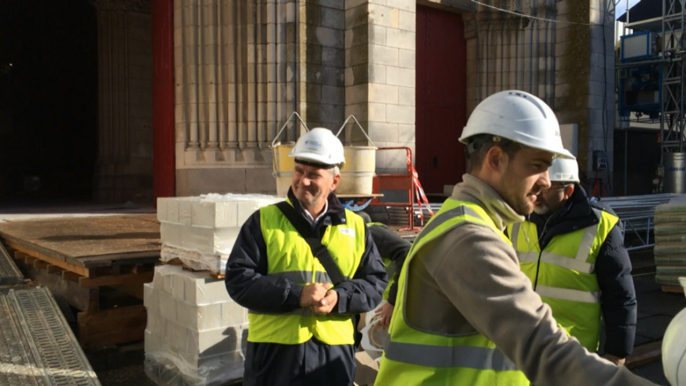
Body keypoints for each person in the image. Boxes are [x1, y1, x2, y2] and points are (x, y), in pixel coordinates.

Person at [374, 90, 654, 385]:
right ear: (495, 159)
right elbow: (542, 347)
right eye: (537, 166)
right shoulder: (469, 238)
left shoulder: (475, 222)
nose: (546, 181)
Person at [225, 128, 388, 386]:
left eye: (314, 174)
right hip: (274, 353)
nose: (303, 180)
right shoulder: (263, 221)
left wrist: (340, 297)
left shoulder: (357, 227)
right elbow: (238, 280)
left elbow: (376, 283)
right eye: (299, 170)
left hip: (332, 355)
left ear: (334, 182)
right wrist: (295, 295)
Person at [508, 158, 637, 365]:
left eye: (546, 187)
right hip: (519, 347)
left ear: (568, 192)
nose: (537, 193)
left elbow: (620, 295)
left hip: (572, 352)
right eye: (534, 185)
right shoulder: (515, 221)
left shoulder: (600, 226)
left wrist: (617, 351)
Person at [359, 212, 411, 327]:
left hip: (387, 304)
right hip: (375, 302)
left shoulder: (370, 233)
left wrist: (393, 301)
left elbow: (407, 253)